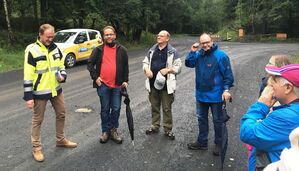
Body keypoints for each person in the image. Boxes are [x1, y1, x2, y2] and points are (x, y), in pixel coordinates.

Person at [23, 24, 77, 162]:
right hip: (39, 92)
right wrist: (28, 96)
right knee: (37, 120)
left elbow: (61, 66)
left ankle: (60, 140)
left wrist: (63, 76)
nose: (50, 39)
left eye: (52, 36)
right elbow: (28, 75)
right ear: (40, 35)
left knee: (61, 114)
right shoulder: (32, 50)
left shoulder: (55, 48)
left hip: (56, 90)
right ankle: (36, 148)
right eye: (48, 37)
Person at [240, 64, 299, 171]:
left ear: (288, 88)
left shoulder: (286, 117)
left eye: (274, 80)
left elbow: (248, 133)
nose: (269, 82)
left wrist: (261, 105)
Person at [185, 33, 234, 155]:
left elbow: (228, 76)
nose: (205, 45)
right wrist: (192, 52)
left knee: (218, 120)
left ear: (212, 41)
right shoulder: (198, 55)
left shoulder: (221, 56)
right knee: (201, 119)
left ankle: (219, 143)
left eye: (207, 42)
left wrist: (226, 89)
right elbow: (189, 63)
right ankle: (202, 142)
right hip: (201, 94)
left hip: (216, 95)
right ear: (200, 44)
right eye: (203, 43)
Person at [87, 26, 129, 144]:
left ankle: (113, 130)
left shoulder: (122, 50)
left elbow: (126, 66)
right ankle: (105, 131)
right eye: (106, 35)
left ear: (115, 35)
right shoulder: (98, 50)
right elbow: (90, 64)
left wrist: (126, 80)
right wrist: (96, 78)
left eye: (111, 34)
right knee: (105, 109)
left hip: (117, 85)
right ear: (103, 36)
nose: (109, 36)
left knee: (116, 108)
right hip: (103, 85)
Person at [142, 30, 182, 140]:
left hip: (166, 85)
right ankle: (154, 126)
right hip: (152, 83)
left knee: (166, 108)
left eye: (161, 36)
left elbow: (178, 67)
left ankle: (168, 130)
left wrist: (168, 70)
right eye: (158, 35)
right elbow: (145, 62)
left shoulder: (172, 51)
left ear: (167, 38)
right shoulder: (152, 49)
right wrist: (146, 69)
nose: (158, 37)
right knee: (154, 106)